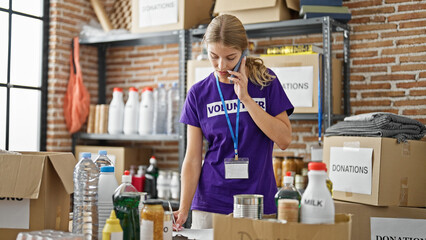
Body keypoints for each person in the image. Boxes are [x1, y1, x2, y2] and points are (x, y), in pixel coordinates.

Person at [173, 14, 294, 230]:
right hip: (211, 203)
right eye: (213, 56)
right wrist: (184, 208)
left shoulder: (266, 82)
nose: (220, 65)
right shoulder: (198, 94)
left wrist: (246, 99)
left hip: (259, 201)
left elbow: (284, 139)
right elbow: (192, 158)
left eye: (230, 57)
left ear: (243, 50)